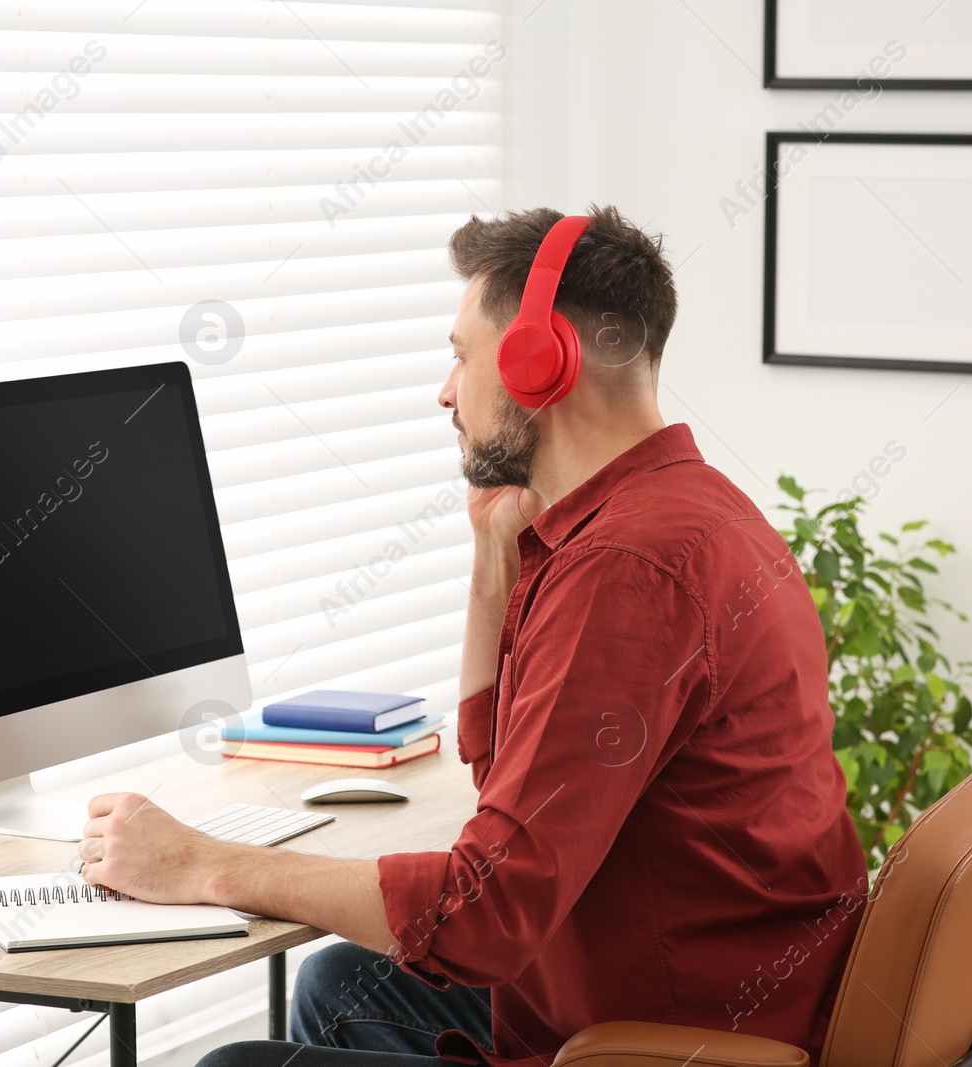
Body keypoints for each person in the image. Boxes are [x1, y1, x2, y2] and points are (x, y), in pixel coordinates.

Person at [78, 206, 869, 1067]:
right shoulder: (686, 509)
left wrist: (200, 863)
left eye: (461, 354)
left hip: (666, 1042)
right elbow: (507, 783)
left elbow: (485, 914)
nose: (446, 390)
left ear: (540, 362)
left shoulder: (628, 569)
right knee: (342, 984)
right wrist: (496, 559)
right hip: (711, 997)